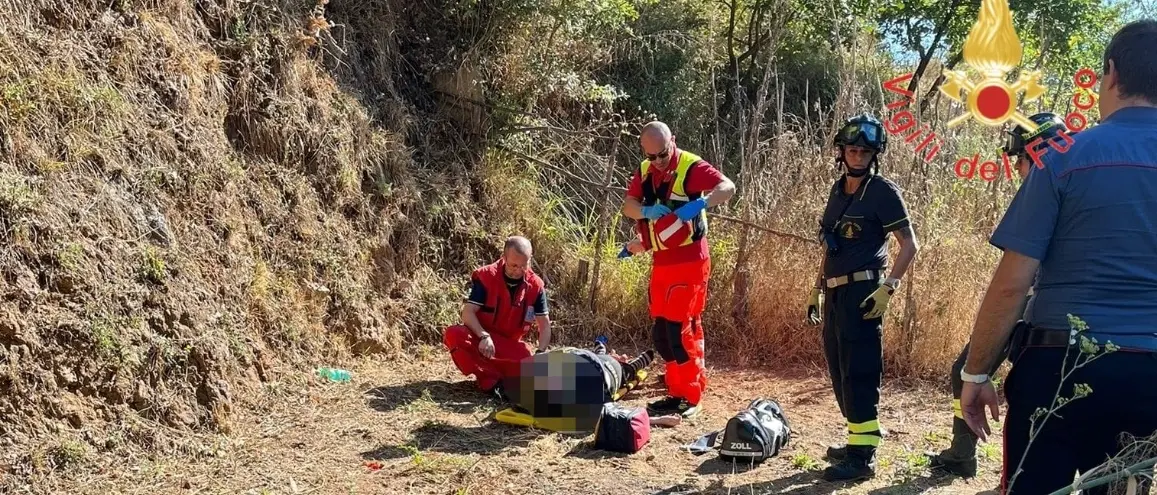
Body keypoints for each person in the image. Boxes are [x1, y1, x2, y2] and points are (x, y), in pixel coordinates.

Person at [959, 20, 1157, 494]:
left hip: (1058, 366)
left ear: (1110, 74)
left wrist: (977, 371)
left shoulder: (1062, 158)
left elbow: (1011, 285)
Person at [928, 112, 1069, 477]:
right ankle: (965, 454)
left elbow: (1013, 281)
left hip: (1039, 311)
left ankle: (996, 466)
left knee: (979, 374)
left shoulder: (1048, 187)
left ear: (1035, 153)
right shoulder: (1080, 184)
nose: (1019, 169)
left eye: (1021, 159)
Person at [808, 114, 920, 481]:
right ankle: (860, 435)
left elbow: (909, 246)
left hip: (864, 292)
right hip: (836, 290)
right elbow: (830, 242)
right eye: (852, 149)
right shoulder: (837, 190)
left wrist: (888, 288)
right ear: (841, 152)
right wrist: (816, 288)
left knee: (859, 370)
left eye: (865, 151)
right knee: (839, 369)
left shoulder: (883, 192)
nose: (858, 155)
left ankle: (862, 458)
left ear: (875, 155)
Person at [621, 121, 736, 418]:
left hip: (691, 262)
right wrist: (645, 212)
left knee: (679, 329)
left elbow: (727, 187)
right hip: (662, 264)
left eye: (662, 154)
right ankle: (676, 389)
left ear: (673, 140)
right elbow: (628, 205)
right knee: (661, 332)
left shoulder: (690, 166)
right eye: (652, 156)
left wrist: (701, 204)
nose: (658, 162)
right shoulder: (646, 170)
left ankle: (690, 394)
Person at [443, 236, 552, 399]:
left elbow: (544, 325)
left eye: (524, 265)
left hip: (509, 346)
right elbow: (468, 312)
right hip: (481, 340)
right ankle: (490, 380)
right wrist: (483, 336)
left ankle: (503, 379)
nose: (519, 270)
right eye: (513, 265)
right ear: (504, 257)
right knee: (454, 334)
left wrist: (541, 353)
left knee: (532, 365)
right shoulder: (486, 277)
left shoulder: (535, 286)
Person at [504, 339, 656, 432]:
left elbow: (612, 414)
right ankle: (602, 350)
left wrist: (657, 420)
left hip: (608, 369)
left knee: (625, 371)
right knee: (608, 361)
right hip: (590, 359)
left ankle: (629, 363)